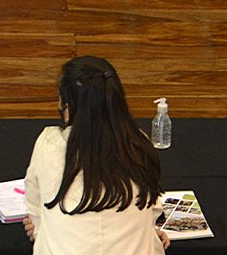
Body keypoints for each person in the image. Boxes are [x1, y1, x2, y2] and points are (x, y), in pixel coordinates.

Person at [22, 56, 168, 255]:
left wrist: (43, 230)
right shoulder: (138, 145)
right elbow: (151, 210)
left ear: (68, 107)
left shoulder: (48, 144)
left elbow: (35, 210)